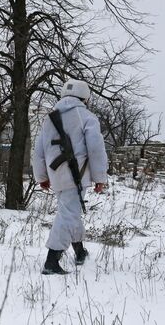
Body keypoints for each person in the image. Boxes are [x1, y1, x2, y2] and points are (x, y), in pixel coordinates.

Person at [32, 79, 108, 275]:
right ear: (85, 97)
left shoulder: (49, 118)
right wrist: (100, 177)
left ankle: (80, 252)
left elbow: (38, 150)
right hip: (76, 175)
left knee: (69, 211)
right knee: (68, 214)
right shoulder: (86, 116)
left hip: (56, 175)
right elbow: (96, 149)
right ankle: (52, 261)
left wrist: (41, 176)